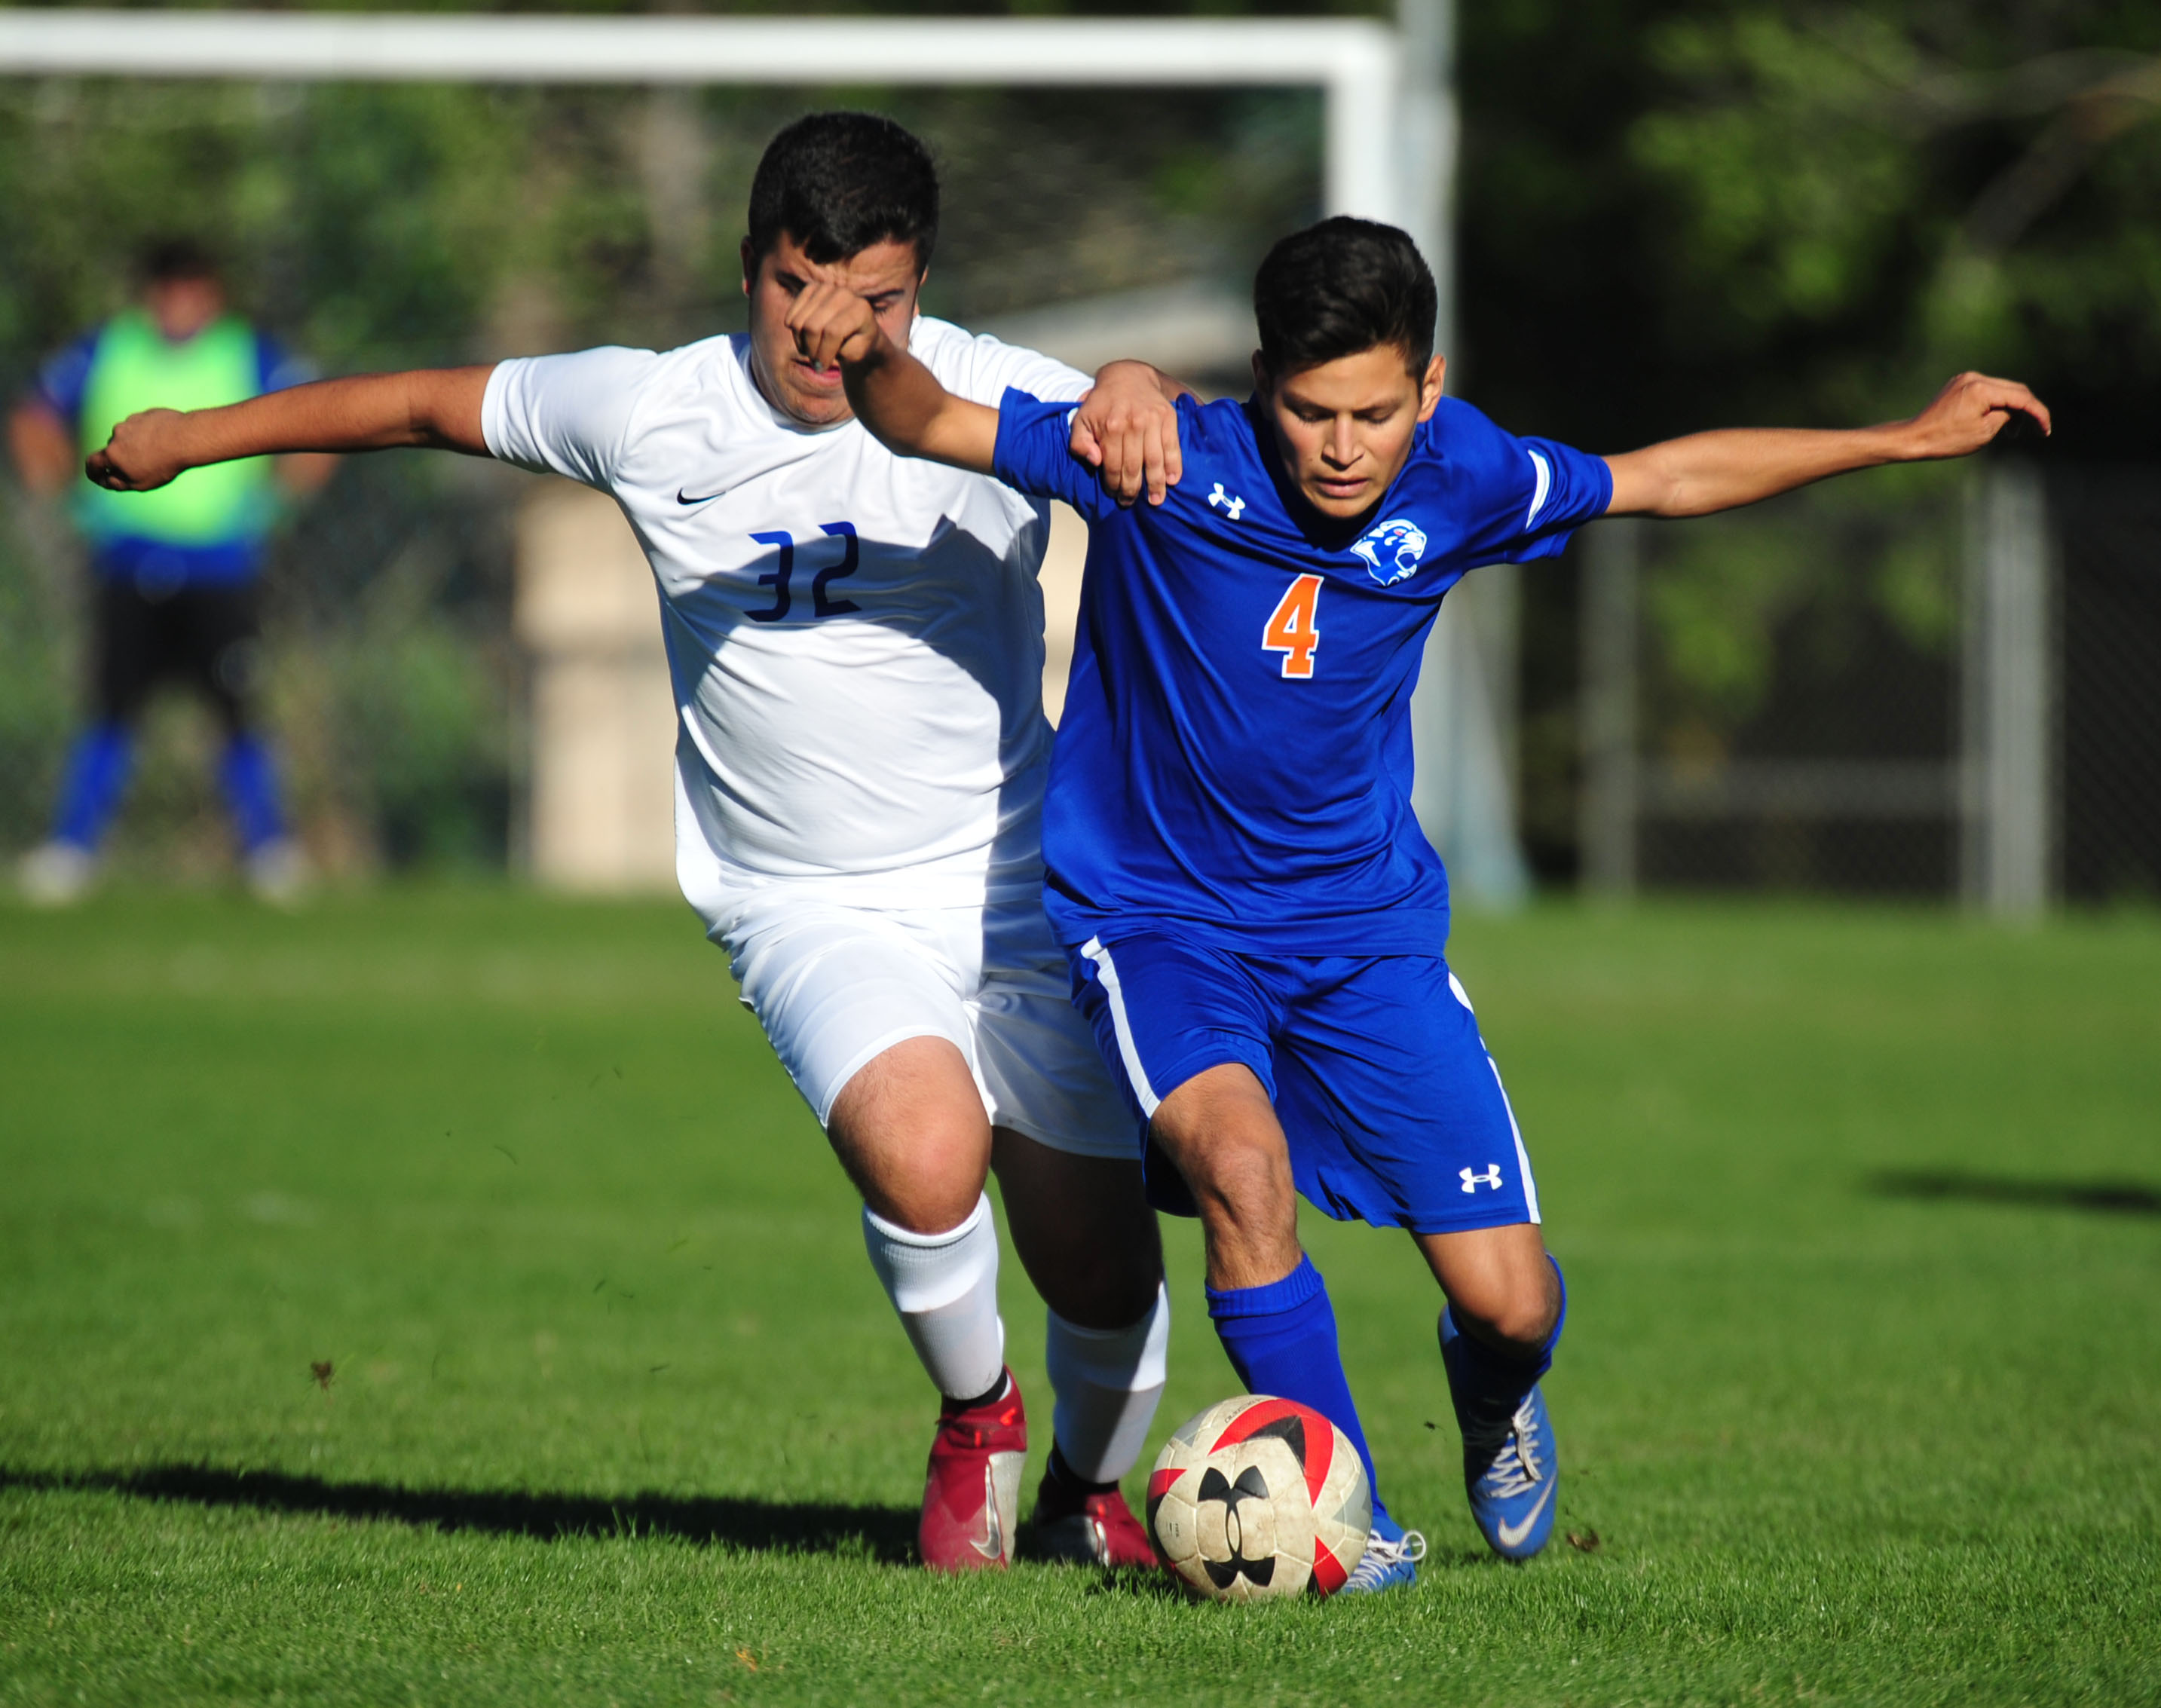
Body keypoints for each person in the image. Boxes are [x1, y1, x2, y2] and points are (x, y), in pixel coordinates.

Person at [787, 214, 2051, 1590]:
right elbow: (924, 421)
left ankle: (1495, 1389)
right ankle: (1348, 1526)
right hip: (1157, 925)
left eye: (1375, 414)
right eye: (1311, 410)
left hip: (1362, 940)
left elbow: (1666, 480)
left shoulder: (1467, 476)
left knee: (1510, 1302)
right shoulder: (1154, 458)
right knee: (1240, 1171)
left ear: (1427, 389)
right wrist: (875, 351)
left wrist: (1901, 439)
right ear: (1263, 382)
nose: (1342, 446)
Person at [79, 114, 1196, 1575]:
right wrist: (192, 437)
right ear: (750, 268)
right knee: (926, 1158)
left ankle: (1082, 1491)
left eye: (878, 295)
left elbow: (1142, 415)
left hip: (1015, 884)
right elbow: (422, 401)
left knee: (1099, 1261)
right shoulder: (648, 409)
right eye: (802, 284)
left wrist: (1125, 382)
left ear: (922, 286)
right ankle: (977, 1416)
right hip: (804, 901)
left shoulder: (987, 391)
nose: (834, 327)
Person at [10, 238, 332, 905]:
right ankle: (74, 850)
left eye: (194, 287)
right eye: (169, 286)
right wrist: (68, 500)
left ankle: (268, 851)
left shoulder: (247, 352)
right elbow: (35, 415)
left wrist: (274, 505)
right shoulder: (109, 349)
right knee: (111, 709)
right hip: (128, 560)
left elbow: (321, 416)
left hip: (220, 565)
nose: (181, 302)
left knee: (236, 709)